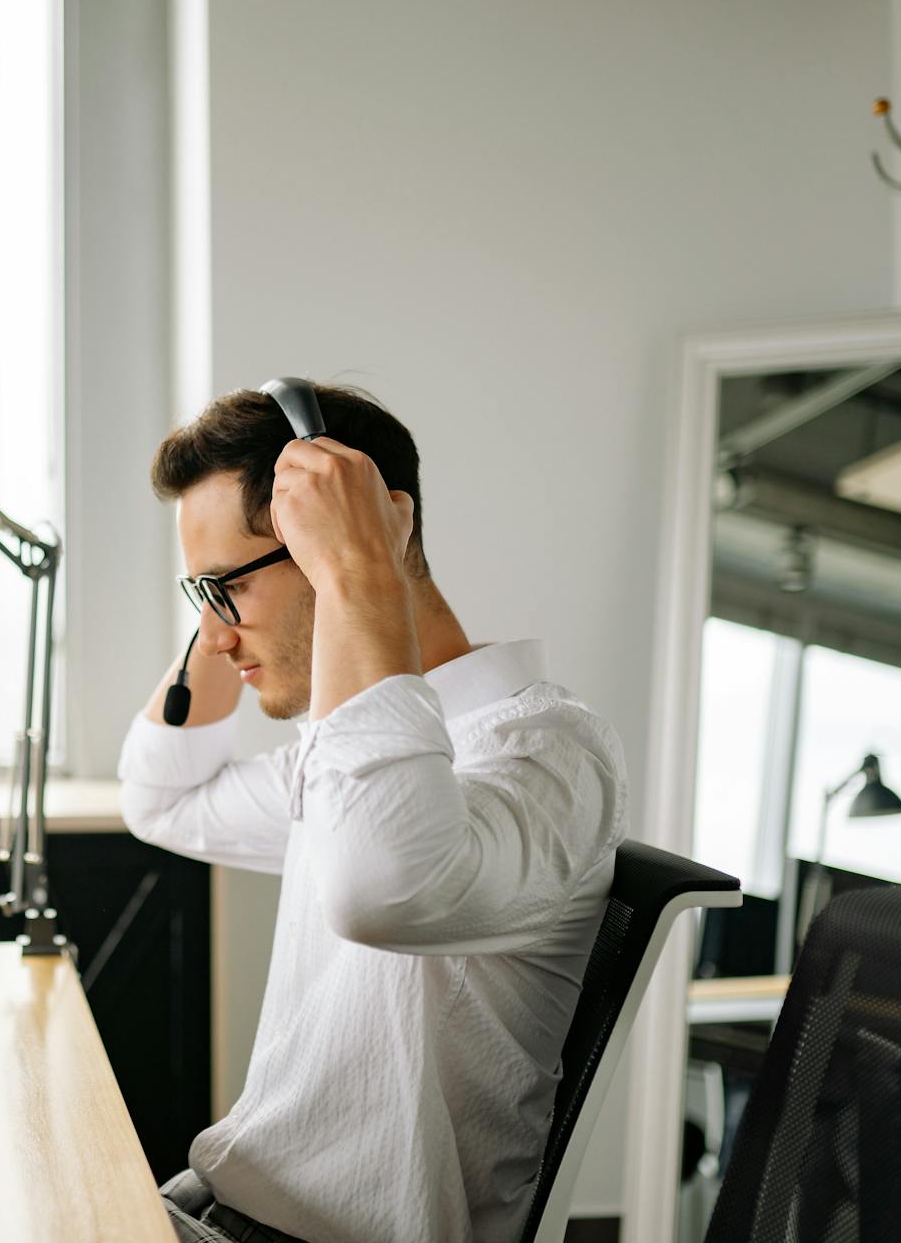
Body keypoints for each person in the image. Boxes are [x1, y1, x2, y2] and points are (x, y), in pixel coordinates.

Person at [122, 384, 626, 1243]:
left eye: (226, 592)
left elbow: (382, 891)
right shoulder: (348, 746)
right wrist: (221, 597)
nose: (212, 638)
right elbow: (165, 800)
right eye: (199, 596)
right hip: (219, 1208)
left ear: (354, 537)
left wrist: (360, 569)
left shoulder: (545, 755)